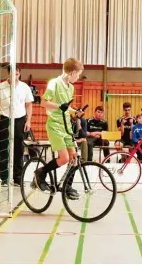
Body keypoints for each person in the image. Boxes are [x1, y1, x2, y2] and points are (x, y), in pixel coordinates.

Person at [33, 58, 84, 199]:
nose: (78, 77)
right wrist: (58, 106)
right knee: (64, 158)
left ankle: (67, 186)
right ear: (72, 72)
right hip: (54, 125)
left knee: (74, 158)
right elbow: (43, 102)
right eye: (78, 74)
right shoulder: (54, 83)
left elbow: (66, 108)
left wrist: (76, 112)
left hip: (66, 126)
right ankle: (41, 172)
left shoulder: (71, 87)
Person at [0, 64, 34, 187]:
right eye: (13, 73)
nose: (15, 75)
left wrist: (28, 121)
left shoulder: (25, 87)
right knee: (4, 147)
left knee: (19, 148)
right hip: (5, 118)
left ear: (19, 73)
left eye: (17, 73)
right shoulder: (0, 87)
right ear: (8, 73)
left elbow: (29, 105)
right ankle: (4, 177)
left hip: (20, 119)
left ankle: (18, 177)